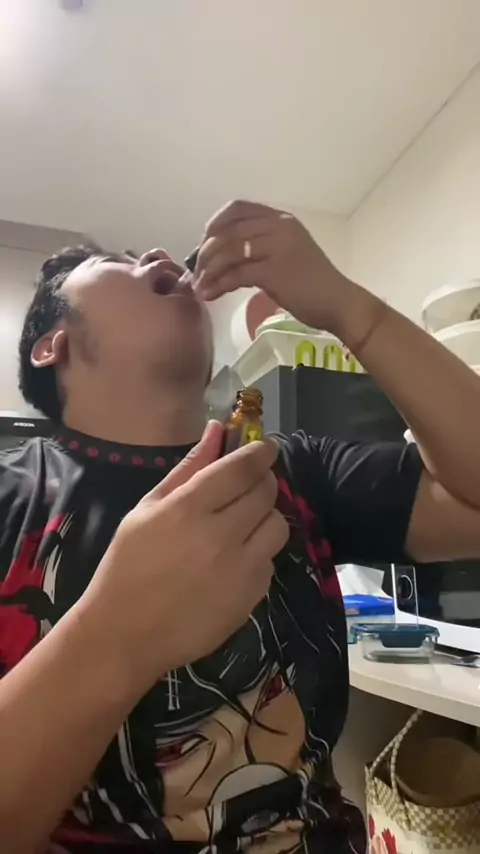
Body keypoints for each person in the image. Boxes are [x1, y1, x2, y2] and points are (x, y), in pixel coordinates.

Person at [1, 200, 480, 854]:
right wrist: (114, 634)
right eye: (116, 261)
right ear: (50, 344)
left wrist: (349, 309)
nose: (156, 256)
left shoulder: (294, 470)